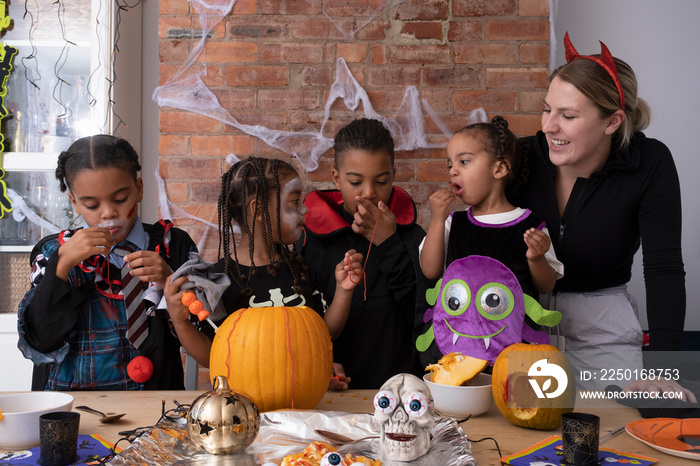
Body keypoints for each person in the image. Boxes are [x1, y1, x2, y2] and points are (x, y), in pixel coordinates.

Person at [509, 33, 686, 391]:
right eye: (547, 109)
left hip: (603, 326)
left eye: (568, 115)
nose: (548, 127)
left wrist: (664, 370)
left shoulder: (650, 163)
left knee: (618, 422)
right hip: (524, 324)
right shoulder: (521, 156)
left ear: (612, 121)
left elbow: (664, 269)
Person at [17, 134, 197, 390]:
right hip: (73, 408)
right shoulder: (51, 252)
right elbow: (39, 340)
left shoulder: (173, 246)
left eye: (120, 199)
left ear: (139, 189)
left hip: (155, 404)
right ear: (74, 203)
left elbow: (203, 334)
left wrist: (169, 279)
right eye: (91, 204)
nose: (108, 213)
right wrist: (63, 263)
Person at [164, 157, 363, 385]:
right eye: (295, 202)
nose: (305, 208)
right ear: (258, 209)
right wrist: (180, 322)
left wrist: (344, 290)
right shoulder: (219, 282)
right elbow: (211, 356)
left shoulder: (301, 268)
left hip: (301, 406)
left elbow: (326, 333)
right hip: (243, 405)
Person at [296, 118, 429, 389]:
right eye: (355, 181)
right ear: (335, 177)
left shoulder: (413, 236)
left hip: (401, 388)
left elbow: (424, 312)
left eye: (381, 181)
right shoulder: (310, 239)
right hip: (330, 389)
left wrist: (388, 242)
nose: (368, 193)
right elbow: (303, 321)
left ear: (393, 174)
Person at [420, 115, 563, 299]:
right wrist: (437, 220)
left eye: (463, 161)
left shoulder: (531, 227)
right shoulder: (452, 223)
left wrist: (536, 258)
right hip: (461, 327)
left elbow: (546, 286)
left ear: (499, 169)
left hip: (511, 328)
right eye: (450, 164)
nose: (452, 171)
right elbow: (430, 271)